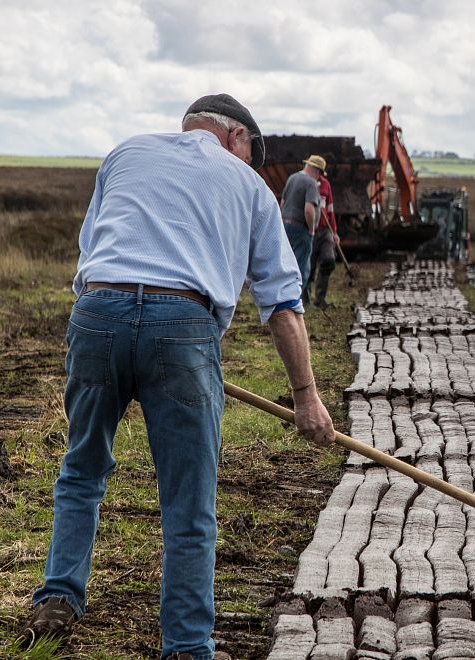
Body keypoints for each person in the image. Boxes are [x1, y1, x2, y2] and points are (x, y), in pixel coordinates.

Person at [20, 93, 335, 660]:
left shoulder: (126, 154)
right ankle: (187, 645)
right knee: (189, 499)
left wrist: (112, 333)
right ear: (236, 139)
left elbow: (90, 251)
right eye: (251, 153)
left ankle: (58, 597)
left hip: (97, 314)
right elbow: (282, 305)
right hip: (183, 327)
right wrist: (306, 397)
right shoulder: (248, 187)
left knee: (83, 465)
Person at [279, 155, 323, 299]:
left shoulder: (292, 178)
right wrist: (311, 229)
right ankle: (293, 302)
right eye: (320, 174)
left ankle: (282, 298)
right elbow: (309, 209)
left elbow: (282, 203)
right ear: (317, 171)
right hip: (300, 229)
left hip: (285, 226)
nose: (319, 177)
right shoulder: (311, 183)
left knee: (286, 265)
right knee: (301, 269)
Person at [307, 171, 340, 308]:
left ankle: (320, 299)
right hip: (310, 230)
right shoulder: (306, 182)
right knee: (309, 266)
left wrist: (334, 232)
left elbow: (330, 210)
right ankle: (305, 300)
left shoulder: (326, 184)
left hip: (325, 230)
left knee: (329, 260)